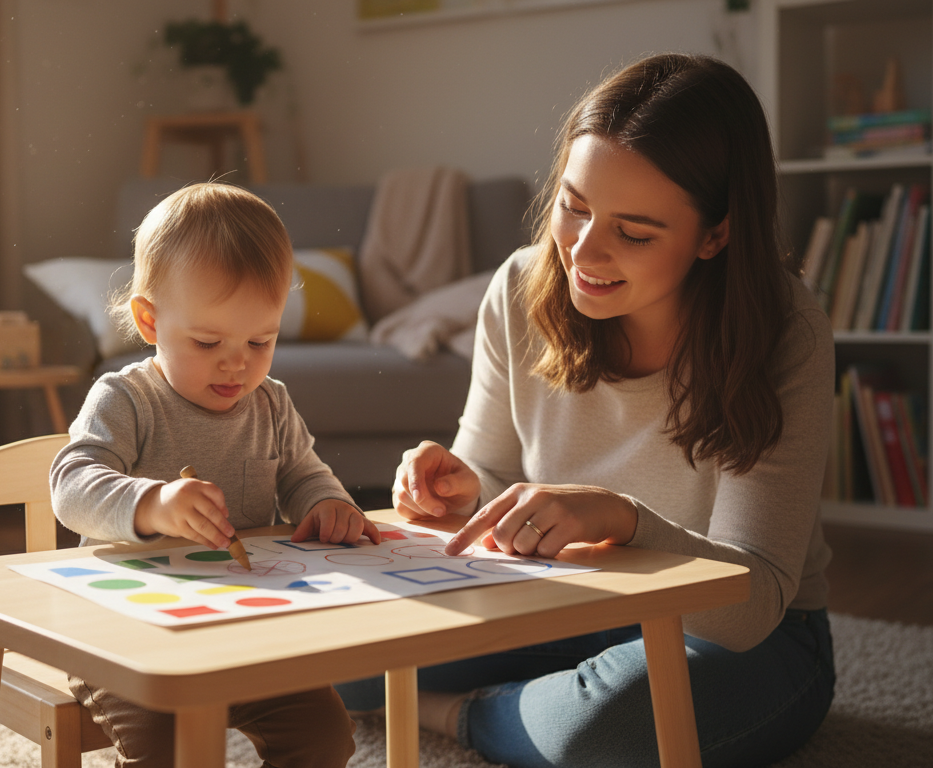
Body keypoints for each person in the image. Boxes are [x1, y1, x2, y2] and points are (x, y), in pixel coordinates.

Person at [335, 53, 836, 768]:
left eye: (634, 232)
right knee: (333, 654)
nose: (583, 250)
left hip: (745, 637)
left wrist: (625, 520)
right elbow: (490, 470)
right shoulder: (518, 288)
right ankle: (536, 700)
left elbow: (752, 602)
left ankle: (460, 714)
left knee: (605, 732)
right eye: (573, 205)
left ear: (715, 234)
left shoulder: (785, 332)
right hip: (559, 598)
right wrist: (459, 483)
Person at [51, 182, 379, 768]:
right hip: (127, 637)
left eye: (261, 340)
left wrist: (326, 502)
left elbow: (304, 473)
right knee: (171, 751)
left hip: (248, 631)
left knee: (325, 734)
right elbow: (71, 483)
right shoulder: (126, 398)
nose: (237, 362)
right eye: (207, 342)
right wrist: (150, 503)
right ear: (150, 322)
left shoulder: (271, 403)